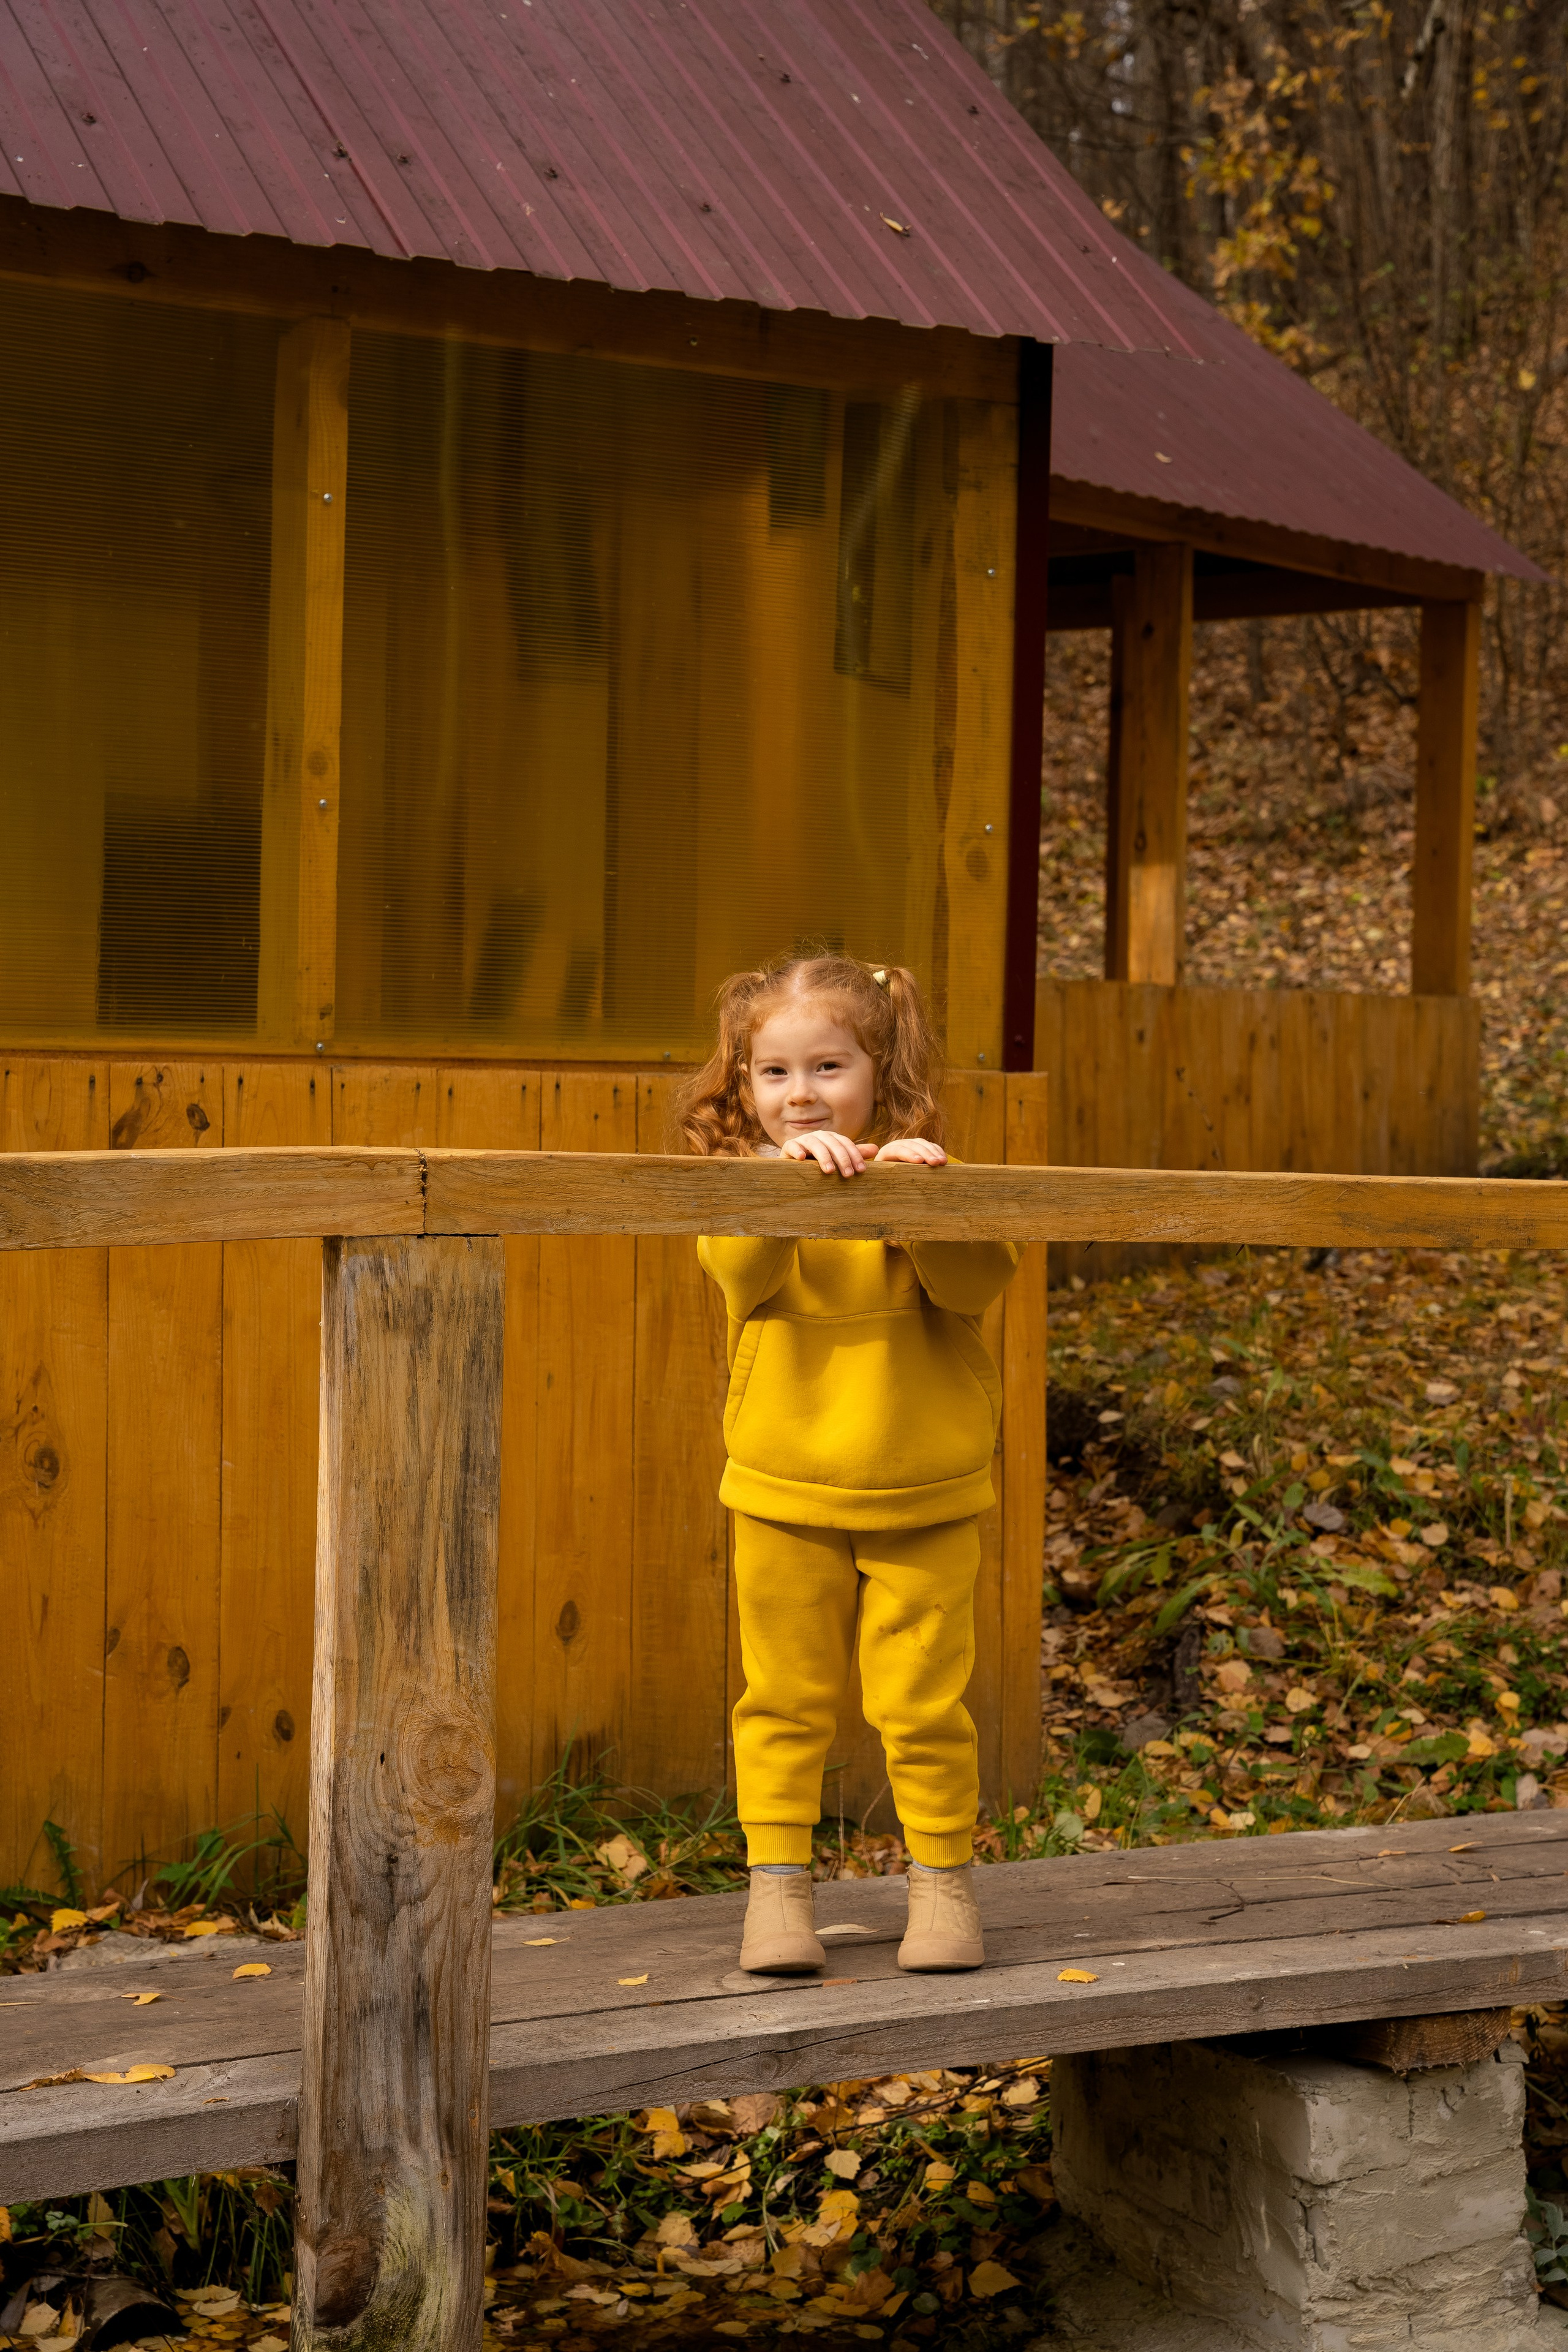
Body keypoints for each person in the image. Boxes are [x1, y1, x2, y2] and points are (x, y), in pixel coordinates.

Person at [677, 954, 1019, 1976]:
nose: (801, 1093)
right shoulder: (744, 1194)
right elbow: (739, 1271)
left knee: (921, 1702)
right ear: (743, 1087)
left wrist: (923, 1204)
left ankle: (942, 1882)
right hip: (785, 1486)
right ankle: (779, 1890)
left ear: (879, 1071)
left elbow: (972, 1287)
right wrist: (788, 1193)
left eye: (828, 1066)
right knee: (783, 1698)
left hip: (926, 1489)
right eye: (772, 1073)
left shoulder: (927, 1171)